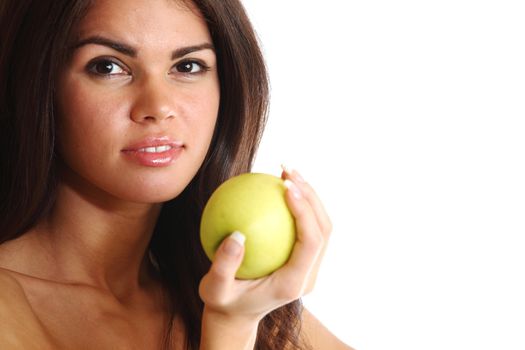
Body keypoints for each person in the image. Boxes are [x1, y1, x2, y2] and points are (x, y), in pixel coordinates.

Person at [0, 0, 352, 349]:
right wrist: (230, 331)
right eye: (107, 67)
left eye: (188, 65)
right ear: (36, 83)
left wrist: (243, 316)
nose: (158, 106)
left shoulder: (230, 295)